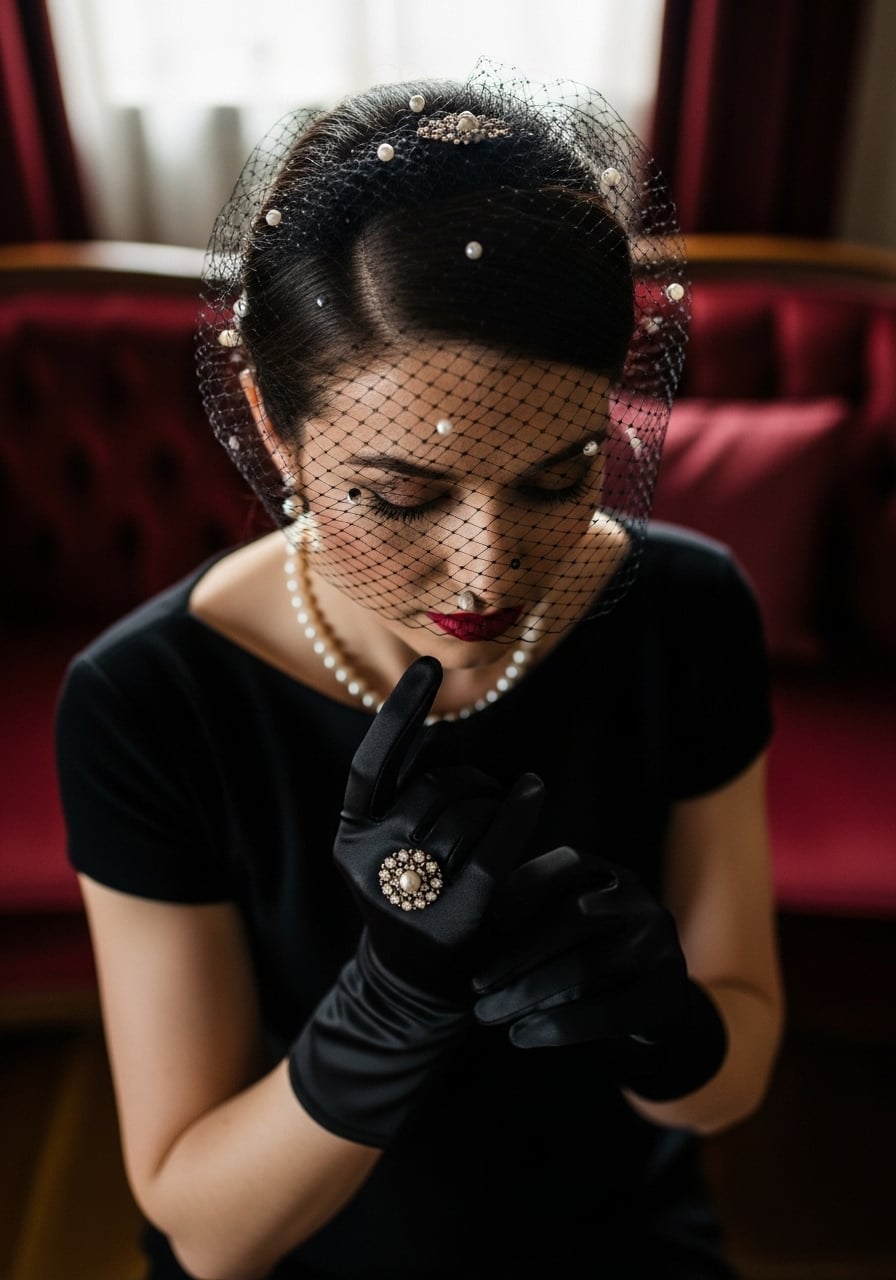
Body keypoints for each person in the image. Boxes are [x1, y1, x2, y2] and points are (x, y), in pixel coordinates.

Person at [55, 58, 784, 1280]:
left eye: (556, 477)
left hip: (608, 1230)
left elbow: (729, 1085)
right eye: (399, 496)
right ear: (273, 425)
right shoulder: (147, 699)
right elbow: (208, 1229)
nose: (486, 571)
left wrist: (661, 1015)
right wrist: (384, 1007)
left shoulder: (688, 611)